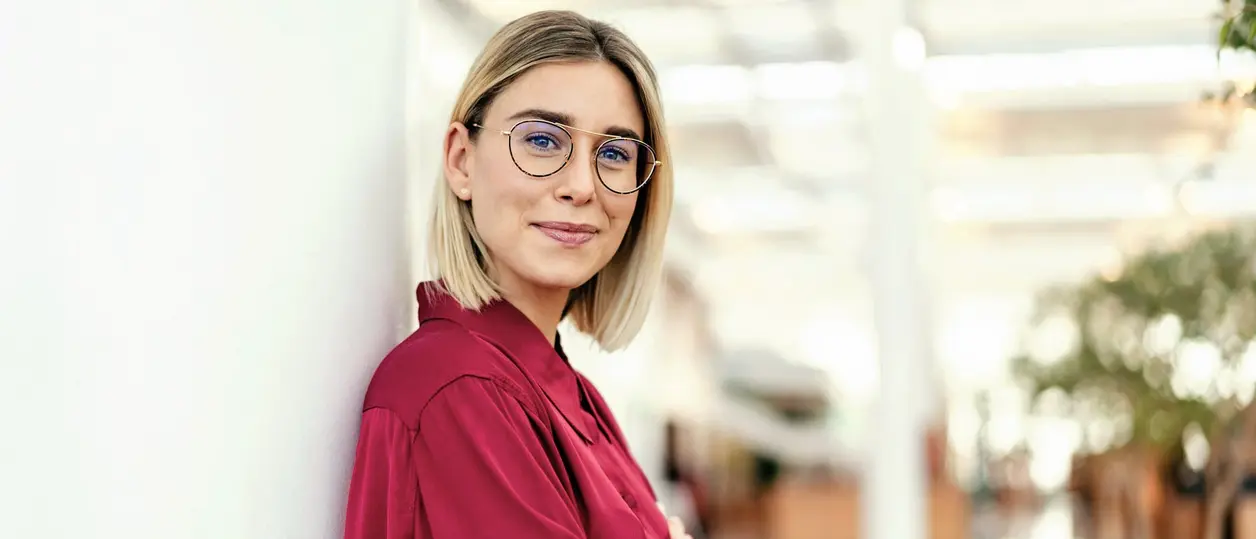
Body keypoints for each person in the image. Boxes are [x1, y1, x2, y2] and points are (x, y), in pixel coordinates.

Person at [342, 10, 690, 539]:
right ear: (462, 160)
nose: (581, 186)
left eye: (615, 153)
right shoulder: (459, 387)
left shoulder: (570, 394)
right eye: (543, 141)